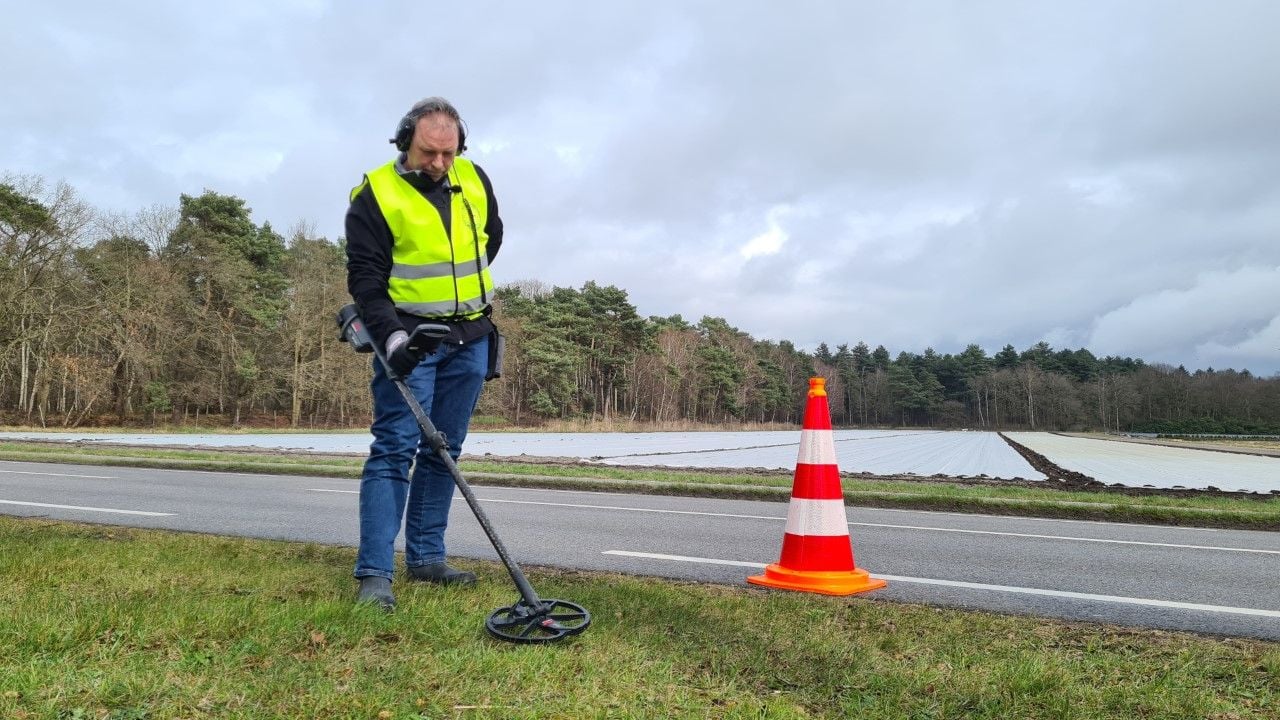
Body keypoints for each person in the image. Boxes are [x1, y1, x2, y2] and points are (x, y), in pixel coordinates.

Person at [344, 96, 503, 609]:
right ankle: (374, 573)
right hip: (410, 340)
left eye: (448, 154)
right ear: (404, 143)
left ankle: (427, 558)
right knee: (394, 450)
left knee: (444, 451)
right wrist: (392, 336)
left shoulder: (474, 179)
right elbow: (366, 280)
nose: (439, 164)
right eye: (428, 153)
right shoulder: (376, 194)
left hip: (470, 339)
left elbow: (490, 239)